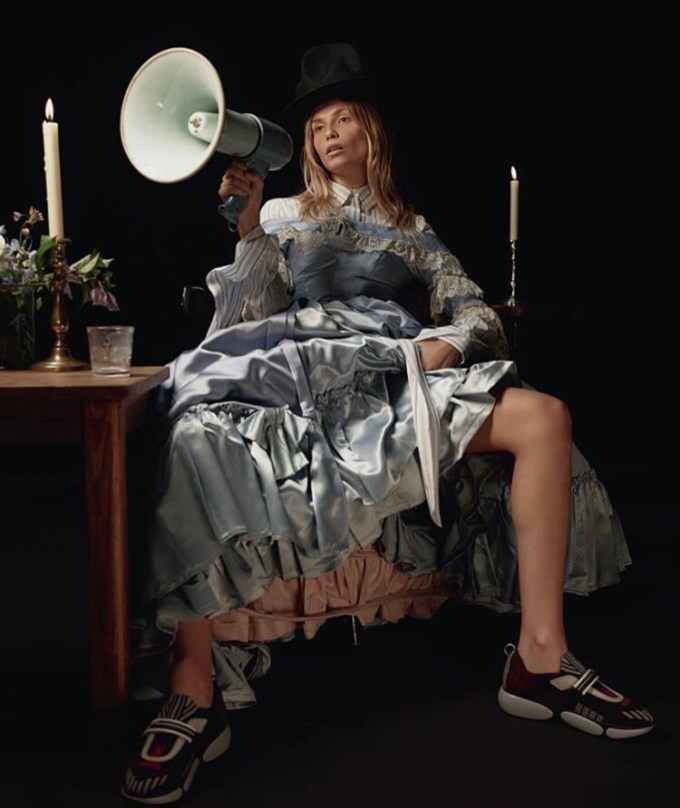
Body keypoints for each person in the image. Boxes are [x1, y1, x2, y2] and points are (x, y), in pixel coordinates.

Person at [121, 43, 654, 805]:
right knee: (191, 426)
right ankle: (194, 685)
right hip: (302, 360)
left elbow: (472, 310)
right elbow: (246, 314)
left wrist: (447, 343)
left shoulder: (413, 227)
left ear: (371, 131)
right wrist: (247, 229)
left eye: (342, 119)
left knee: (543, 416)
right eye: (316, 127)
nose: (328, 134)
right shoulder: (283, 214)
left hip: (395, 366)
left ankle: (540, 657)